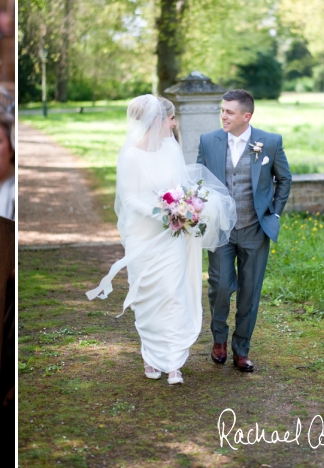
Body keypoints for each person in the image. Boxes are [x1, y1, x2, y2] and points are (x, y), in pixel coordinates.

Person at [87, 95, 236, 384]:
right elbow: (129, 198)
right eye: (171, 118)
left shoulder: (171, 148)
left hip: (173, 234)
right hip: (144, 235)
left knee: (173, 292)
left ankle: (173, 361)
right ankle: (150, 355)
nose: (175, 123)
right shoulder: (131, 155)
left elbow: (179, 185)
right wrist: (162, 214)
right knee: (147, 296)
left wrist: (186, 207)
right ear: (157, 120)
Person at [196, 89, 292, 373]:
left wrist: (274, 213)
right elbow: (200, 180)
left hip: (255, 229)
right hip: (220, 229)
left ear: (246, 116)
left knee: (250, 292)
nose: (223, 116)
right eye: (222, 110)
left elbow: (284, 179)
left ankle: (241, 349)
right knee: (221, 286)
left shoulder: (270, 142)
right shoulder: (208, 141)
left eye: (229, 112)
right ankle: (219, 340)